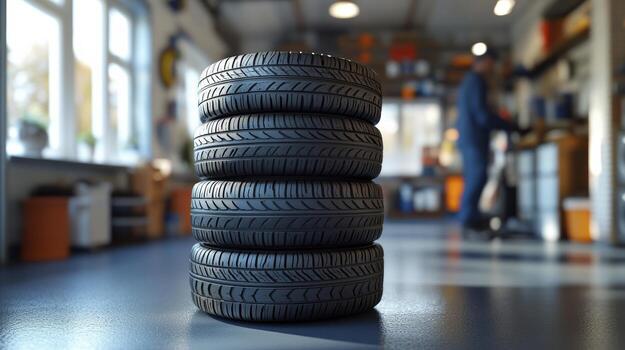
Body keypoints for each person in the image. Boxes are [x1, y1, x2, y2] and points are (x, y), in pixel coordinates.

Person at [456, 49, 513, 235]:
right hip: (474, 138)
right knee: (477, 177)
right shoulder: (476, 81)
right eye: (491, 63)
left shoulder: (469, 81)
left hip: (470, 138)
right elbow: (482, 116)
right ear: (484, 61)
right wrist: (507, 125)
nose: (492, 67)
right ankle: (469, 219)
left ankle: (470, 218)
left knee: (475, 177)